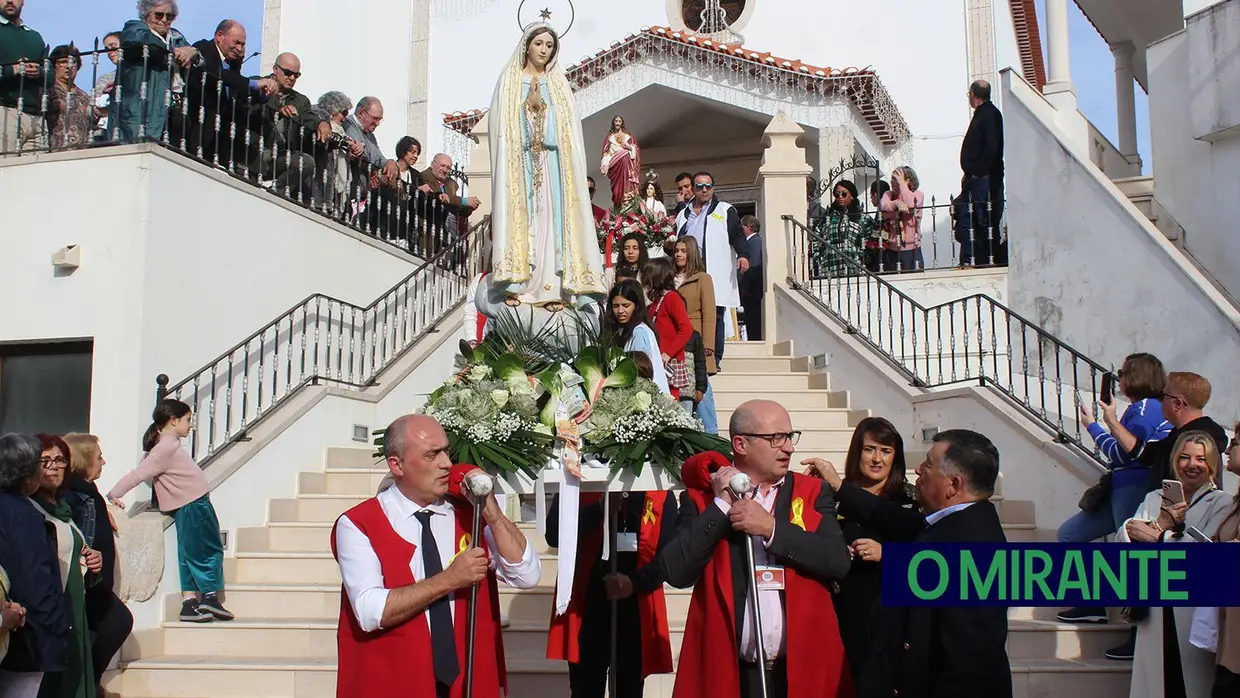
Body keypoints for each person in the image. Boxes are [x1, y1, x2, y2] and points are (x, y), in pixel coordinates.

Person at [331, 414, 541, 698]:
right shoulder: (359, 523)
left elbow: (526, 575)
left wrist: (491, 510)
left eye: (446, 451)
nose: (446, 463)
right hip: (394, 681)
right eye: (432, 455)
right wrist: (450, 579)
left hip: (465, 678)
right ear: (397, 465)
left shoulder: (469, 515)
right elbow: (370, 612)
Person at [663, 400, 852, 698]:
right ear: (741, 444)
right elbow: (676, 572)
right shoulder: (701, 499)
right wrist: (722, 505)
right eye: (776, 438)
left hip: (801, 669)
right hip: (734, 672)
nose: (789, 448)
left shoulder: (812, 491)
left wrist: (771, 528)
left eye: (791, 436)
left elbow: (837, 561)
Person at [807, 429, 1012, 698]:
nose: (918, 469)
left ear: (953, 484)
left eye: (928, 464)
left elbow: (967, 658)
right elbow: (893, 519)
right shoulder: (953, 523)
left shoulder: (974, 547)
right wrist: (840, 488)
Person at [488, 21, 606, 308]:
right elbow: (503, 129)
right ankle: (520, 283)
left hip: (553, 167)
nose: (544, 50)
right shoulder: (510, 83)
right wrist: (528, 108)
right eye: (539, 43)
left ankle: (552, 290)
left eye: (550, 46)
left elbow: (568, 134)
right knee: (526, 221)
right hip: (521, 169)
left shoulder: (558, 84)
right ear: (527, 45)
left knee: (552, 224)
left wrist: (542, 110)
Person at [1117, 431, 1231, 698]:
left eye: (1201, 459)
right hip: (1155, 610)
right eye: (1185, 457)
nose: (1192, 465)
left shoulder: (1222, 503)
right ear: (1174, 461)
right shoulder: (1154, 498)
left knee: (1193, 682)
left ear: (1212, 465)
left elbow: (1207, 553)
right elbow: (1126, 537)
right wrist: (1158, 528)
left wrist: (1157, 535)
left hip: (1194, 612)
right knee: (1156, 682)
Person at [1057, 353, 1170, 625]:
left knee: (1133, 553)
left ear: (1135, 377)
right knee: (1070, 535)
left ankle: (1138, 629)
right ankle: (1090, 604)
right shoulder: (1141, 409)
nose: (1118, 378)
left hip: (1133, 486)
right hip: (1121, 487)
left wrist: (1093, 426)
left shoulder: (1145, 410)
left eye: (1122, 373)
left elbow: (1124, 454)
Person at [806, 417, 921, 681]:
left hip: (890, 617)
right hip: (841, 613)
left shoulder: (910, 499)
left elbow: (922, 549)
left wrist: (885, 553)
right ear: (856, 452)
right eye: (870, 449)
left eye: (886, 451)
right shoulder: (831, 495)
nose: (877, 459)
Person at [107, 399, 233, 624]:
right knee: (207, 549)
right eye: (187, 420)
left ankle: (190, 601)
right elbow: (139, 473)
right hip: (195, 504)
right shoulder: (166, 448)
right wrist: (115, 493)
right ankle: (210, 596)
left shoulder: (166, 445)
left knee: (188, 552)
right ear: (173, 421)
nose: (190, 425)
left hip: (188, 504)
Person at [545, 489, 677, 697]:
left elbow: (670, 555)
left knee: (630, 689)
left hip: (635, 607)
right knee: (585, 688)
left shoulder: (659, 491)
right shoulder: (579, 483)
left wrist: (634, 583)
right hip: (587, 608)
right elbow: (553, 535)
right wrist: (598, 509)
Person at [0, 434, 70, 696]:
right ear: (27, 473)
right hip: (25, 632)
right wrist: (55, 623)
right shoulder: (23, 513)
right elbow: (33, 576)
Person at [62, 434, 133, 694]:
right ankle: (86, 681)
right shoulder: (73, 495)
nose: (103, 462)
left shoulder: (88, 493)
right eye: (98, 457)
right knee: (118, 622)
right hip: (87, 584)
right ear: (84, 461)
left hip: (97, 584)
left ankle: (87, 682)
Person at [31, 435, 98, 698]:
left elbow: (72, 552)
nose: (54, 466)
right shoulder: (30, 510)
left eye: (60, 460)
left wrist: (92, 560)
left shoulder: (63, 508)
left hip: (73, 610)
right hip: (49, 616)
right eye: (45, 460)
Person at [670, 171, 750, 365]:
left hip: (714, 267)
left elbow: (737, 234)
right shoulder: (683, 213)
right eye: (699, 186)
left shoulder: (724, 210)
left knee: (715, 312)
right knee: (687, 310)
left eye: (708, 186)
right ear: (694, 189)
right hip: (689, 269)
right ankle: (688, 354)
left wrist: (744, 255)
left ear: (713, 189)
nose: (704, 190)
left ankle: (714, 357)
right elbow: (674, 238)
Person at [956, 79, 1005, 267]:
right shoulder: (985, 115)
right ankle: (973, 259)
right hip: (976, 178)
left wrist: (978, 172)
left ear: (972, 95)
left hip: (984, 180)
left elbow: (991, 146)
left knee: (983, 219)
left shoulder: (990, 115)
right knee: (971, 220)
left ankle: (985, 260)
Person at [602, 280, 669, 395]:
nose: (620, 311)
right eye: (616, 306)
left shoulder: (639, 332)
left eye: (626, 306)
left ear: (636, 306)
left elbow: (639, 374)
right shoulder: (622, 331)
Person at [643, 258, 693, 401]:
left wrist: (668, 353)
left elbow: (686, 329)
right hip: (658, 358)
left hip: (668, 360)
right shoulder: (656, 301)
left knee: (670, 400)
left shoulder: (672, 298)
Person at [601, 115, 640, 210]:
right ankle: (619, 205)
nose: (617, 123)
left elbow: (636, 149)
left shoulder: (628, 137)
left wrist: (629, 147)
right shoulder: (609, 138)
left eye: (619, 121)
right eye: (616, 121)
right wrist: (604, 163)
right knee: (617, 191)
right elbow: (606, 153)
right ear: (613, 123)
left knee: (628, 187)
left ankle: (628, 204)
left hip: (627, 165)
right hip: (615, 166)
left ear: (622, 123)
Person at [738, 215, 764, 341]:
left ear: (747, 227)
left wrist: (745, 288)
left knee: (753, 322)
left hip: (752, 291)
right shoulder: (754, 241)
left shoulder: (754, 242)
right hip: (751, 291)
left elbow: (752, 266)